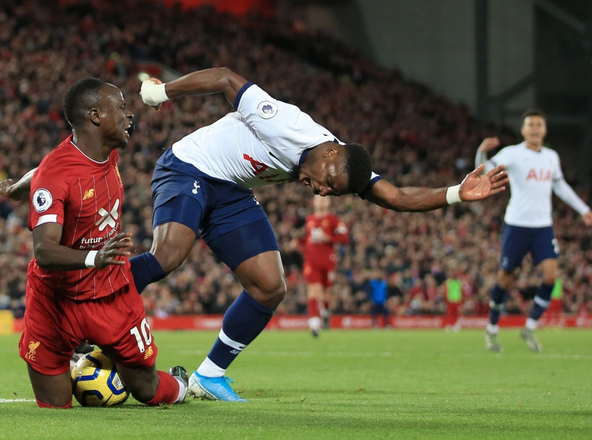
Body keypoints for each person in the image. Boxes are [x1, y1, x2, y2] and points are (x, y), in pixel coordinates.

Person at [132, 67, 508, 401]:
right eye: (327, 183)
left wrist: (457, 193)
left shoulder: (345, 167)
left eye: (332, 192)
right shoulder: (285, 124)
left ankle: (209, 376)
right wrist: (161, 92)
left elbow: (396, 197)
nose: (322, 191)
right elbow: (226, 78)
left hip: (232, 191)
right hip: (189, 166)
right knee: (169, 255)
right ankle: (87, 301)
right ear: (329, 154)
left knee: (269, 286)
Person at [0, 78, 188, 408]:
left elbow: (42, 170)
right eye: (121, 108)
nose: (129, 117)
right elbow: (44, 250)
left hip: (110, 293)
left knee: (147, 390)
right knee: (55, 406)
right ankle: (81, 361)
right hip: (56, 300)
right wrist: (94, 256)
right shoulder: (57, 174)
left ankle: (182, 384)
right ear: (96, 116)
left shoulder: (104, 151)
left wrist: (17, 188)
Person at [475, 109, 592, 353]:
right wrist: (482, 152)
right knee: (506, 278)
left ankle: (529, 328)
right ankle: (492, 330)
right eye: (531, 124)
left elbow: (560, 186)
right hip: (517, 225)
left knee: (550, 276)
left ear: (545, 130)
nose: (535, 128)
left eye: (539, 124)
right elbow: (485, 172)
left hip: (542, 227)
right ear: (523, 130)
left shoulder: (551, 156)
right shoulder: (513, 153)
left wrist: (583, 209)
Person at [300, 195, 349, 337]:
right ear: (313, 202)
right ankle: (314, 323)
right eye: (318, 198)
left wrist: (329, 238)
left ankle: (325, 312)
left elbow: (344, 238)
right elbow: (306, 239)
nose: (321, 200)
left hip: (328, 260)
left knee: (326, 293)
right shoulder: (309, 219)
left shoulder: (333, 220)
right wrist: (298, 243)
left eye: (324, 198)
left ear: (328, 202)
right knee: (314, 289)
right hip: (311, 260)